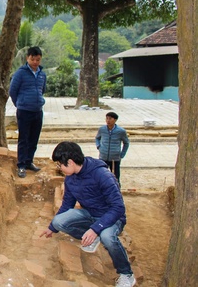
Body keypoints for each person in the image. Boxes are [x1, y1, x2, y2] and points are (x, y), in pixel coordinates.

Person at [40, 141, 136, 287]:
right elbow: (67, 204)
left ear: (70, 162)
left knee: (107, 237)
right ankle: (94, 238)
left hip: (111, 217)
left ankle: (126, 274)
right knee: (59, 221)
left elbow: (118, 208)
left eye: (60, 165)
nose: (59, 168)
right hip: (90, 213)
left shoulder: (102, 174)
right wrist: (52, 227)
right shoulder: (71, 178)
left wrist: (95, 228)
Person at [9, 46, 46, 178]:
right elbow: (12, 91)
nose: (35, 62)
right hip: (24, 111)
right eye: (32, 59)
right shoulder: (21, 73)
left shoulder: (42, 74)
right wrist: (19, 103)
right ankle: (21, 165)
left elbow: (43, 90)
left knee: (33, 139)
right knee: (23, 139)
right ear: (27, 58)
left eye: (37, 59)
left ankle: (29, 161)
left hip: (38, 111)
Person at [95, 112, 130, 186]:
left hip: (115, 157)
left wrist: (122, 154)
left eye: (110, 119)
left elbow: (126, 143)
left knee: (115, 176)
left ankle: (116, 190)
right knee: (101, 174)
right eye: (107, 118)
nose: (108, 120)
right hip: (103, 156)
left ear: (115, 120)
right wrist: (98, 146)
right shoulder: (102, 129)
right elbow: (97, 138)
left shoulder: (121, 131)